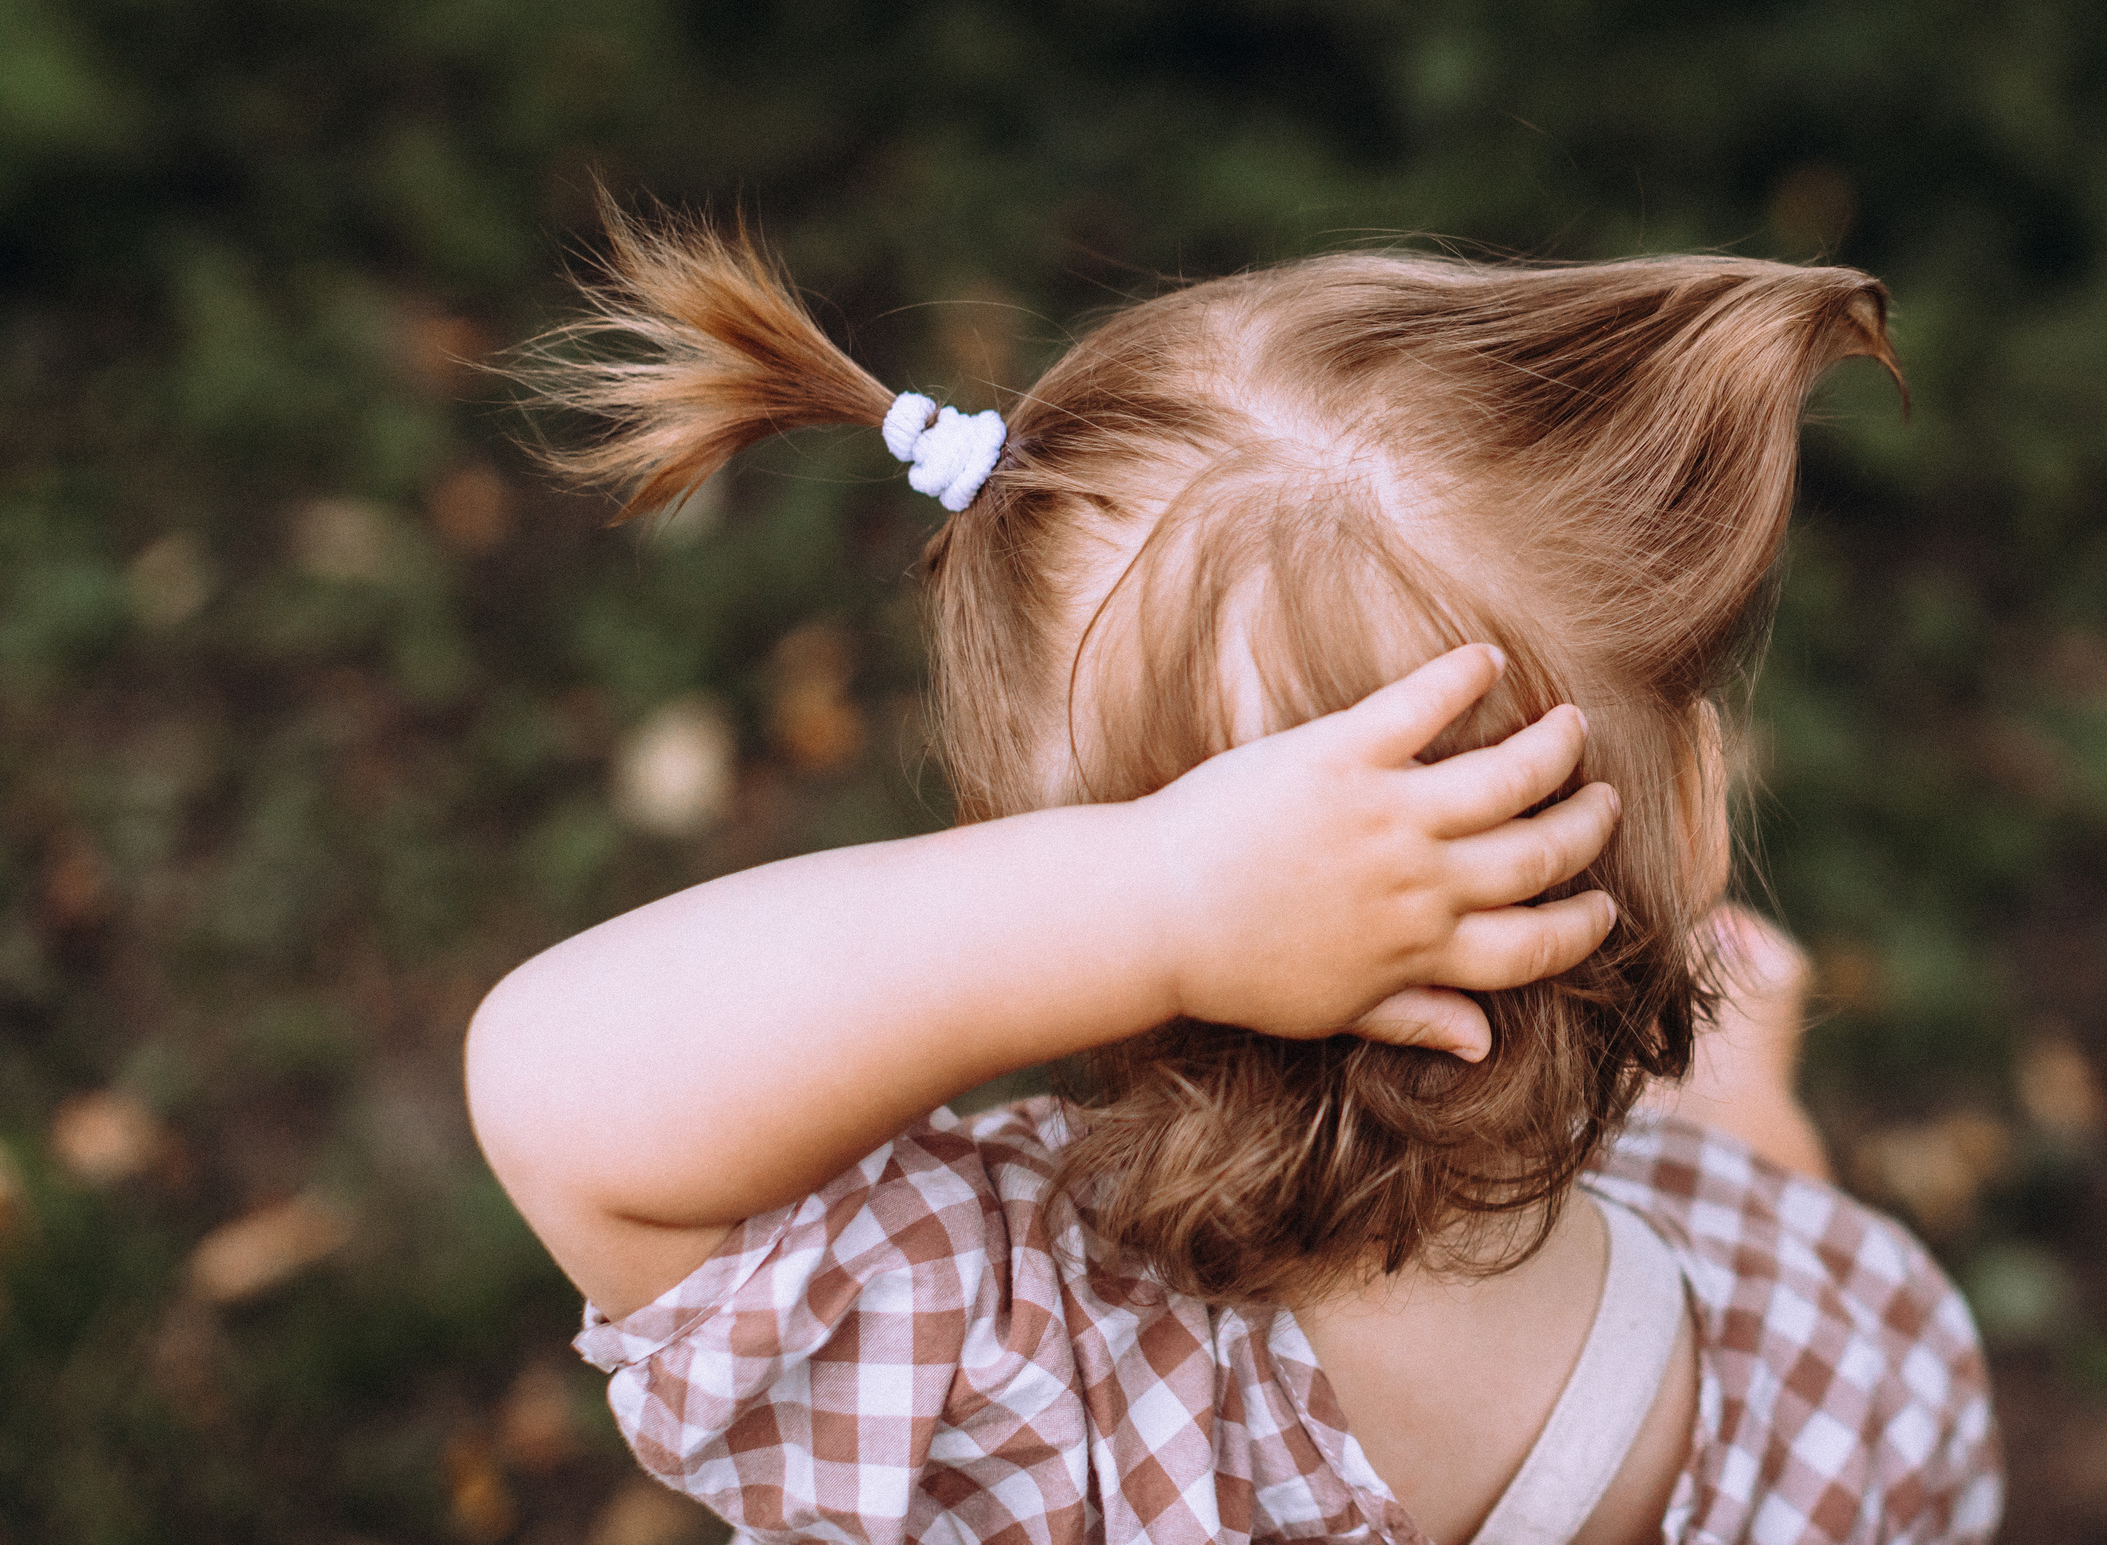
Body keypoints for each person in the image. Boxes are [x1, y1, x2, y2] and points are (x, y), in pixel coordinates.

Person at [465, 210, 2003, 1544]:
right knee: (1742, 1165)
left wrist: (1148, 905)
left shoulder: (1003, 1371)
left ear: (1020, 838)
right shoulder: (1860, 1356)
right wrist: (1740, 1108)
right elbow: (1774, 1274)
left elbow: (555, 1088)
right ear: (1693, 803)